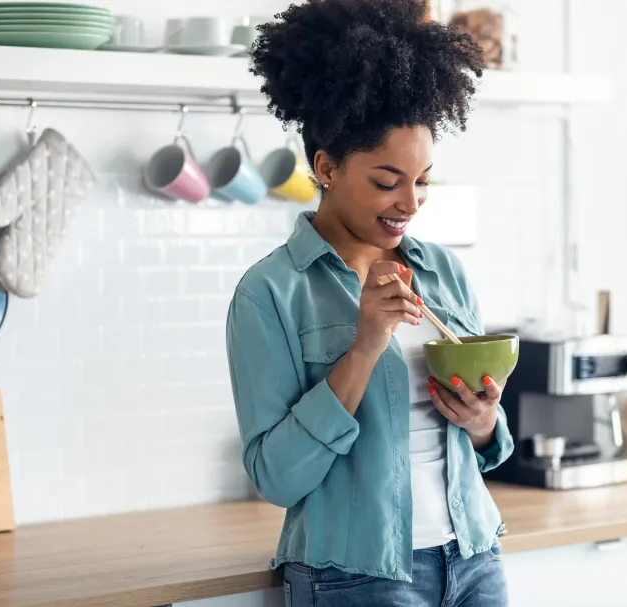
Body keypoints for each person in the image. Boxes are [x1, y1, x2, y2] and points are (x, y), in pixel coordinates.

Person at [226, 1, 514, 604]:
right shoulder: (270, 293)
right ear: (327, 167)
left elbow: (486, 447)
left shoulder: (444, 271)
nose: (410, 202)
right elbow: (276, 478)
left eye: (422, 180)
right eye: (387, 182)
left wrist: (483, 421)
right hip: (356, 576)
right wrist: (364, 349)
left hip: (474, 558)